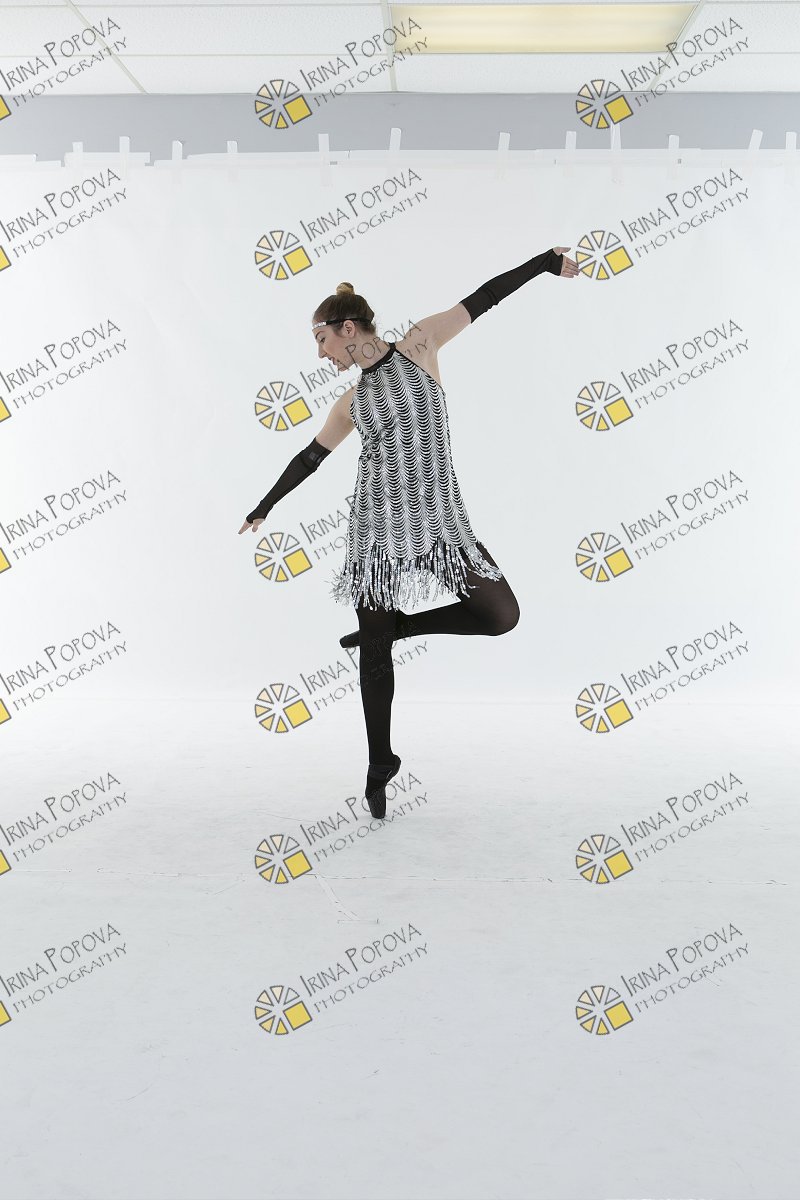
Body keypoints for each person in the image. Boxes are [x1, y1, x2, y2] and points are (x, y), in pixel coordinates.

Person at [239, 245, 579, 817]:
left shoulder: (421, 344)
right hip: (376, 532)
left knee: (500, 615)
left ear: (348, 329)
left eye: (322, 341)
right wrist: (264, 506)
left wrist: (544, 262)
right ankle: (380, 761)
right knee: (374, 656)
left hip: (442, 524)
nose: (321, 355)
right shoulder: (352, 401)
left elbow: (485, 297)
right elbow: (310, 458)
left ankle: (401, 628)